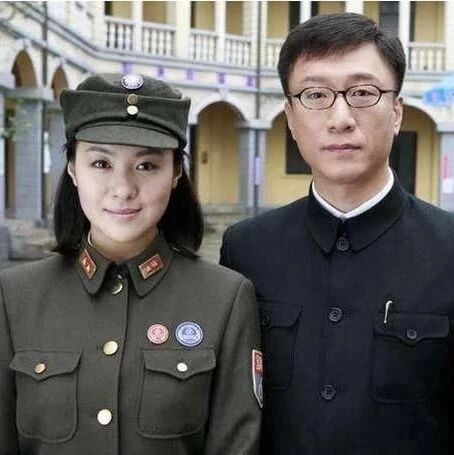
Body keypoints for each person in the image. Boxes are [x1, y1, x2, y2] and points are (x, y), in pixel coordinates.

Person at [220, 12, 454, 455]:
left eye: (363, 93)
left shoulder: (448, 249)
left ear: (397, 111)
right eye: (315, 95)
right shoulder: (247, 249)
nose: (340, 118)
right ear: (290, 118)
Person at [0, 73, 262, 454]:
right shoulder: (14, 297)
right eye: (101, 163)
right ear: (72, 168)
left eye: (146, 166)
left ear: (176, 173)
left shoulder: (225, 299)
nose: (123, 189)